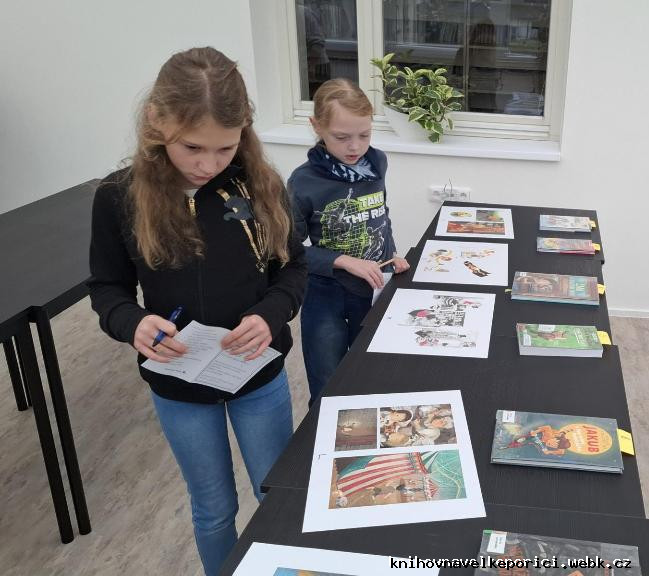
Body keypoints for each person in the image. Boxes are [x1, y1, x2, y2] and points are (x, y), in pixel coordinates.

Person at [86, 47, 306, 575]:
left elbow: (294, 269)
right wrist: (133, 323)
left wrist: (271, 313)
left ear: (244, 132)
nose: (209, 165)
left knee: (275, 497)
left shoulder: (260, 185)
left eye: (225, 148)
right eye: (192, 148)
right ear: (156, 121)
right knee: (213, 510)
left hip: (257, 375)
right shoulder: (118, 197)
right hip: (178, 383)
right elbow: (107, 289)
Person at [289, 78, 409, 403]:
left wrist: (392, 253)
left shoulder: (377, 163)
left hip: (372, 287)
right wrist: (343, 261)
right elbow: (288, 249)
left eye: (364, 135)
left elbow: (379, 214)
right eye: (341, 138)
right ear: (317, 126)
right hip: (326, 293)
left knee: (369, 371)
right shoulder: (303, 182)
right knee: (327, 380)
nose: (355, 147)